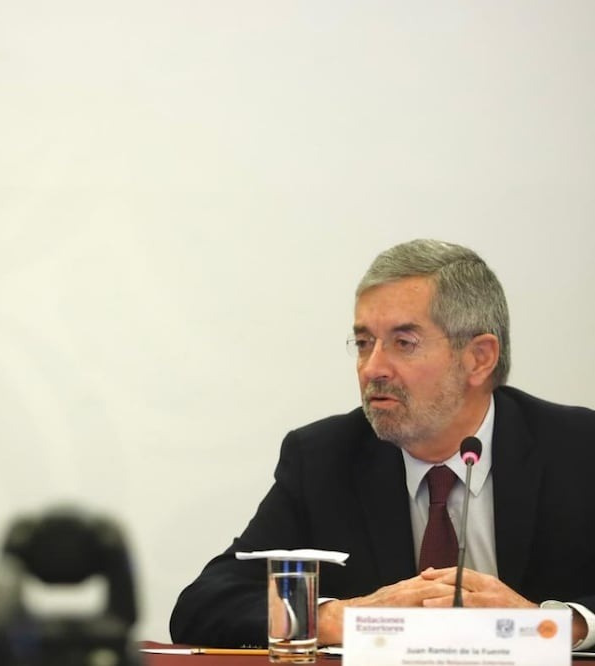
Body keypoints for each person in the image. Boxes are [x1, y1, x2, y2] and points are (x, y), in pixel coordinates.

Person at [169, 239, 595, 649]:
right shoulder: (324, 458)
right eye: (363, 343)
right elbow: (204, 605)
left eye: (403, 343)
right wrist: (347, 616)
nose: (372, 368)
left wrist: (552, 624)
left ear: (479, 358)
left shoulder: (578, 449)